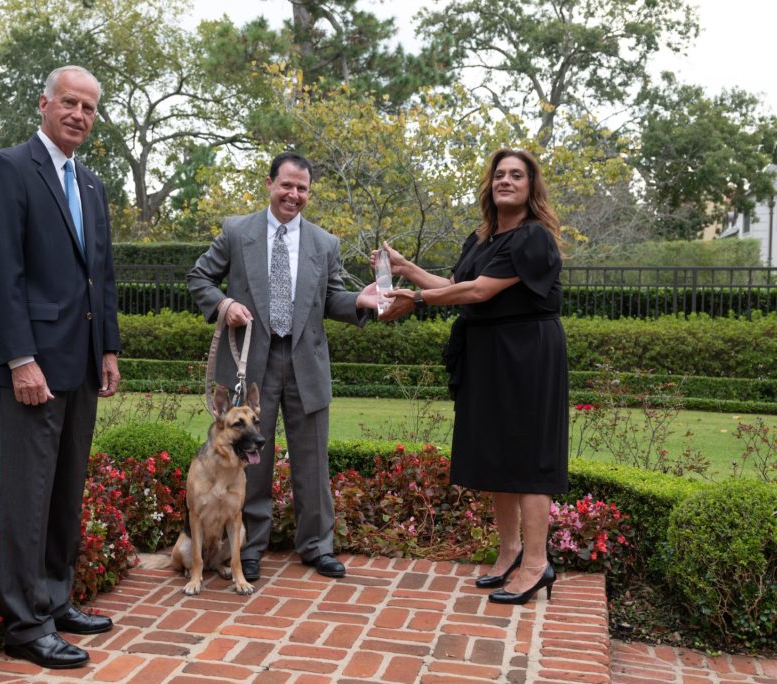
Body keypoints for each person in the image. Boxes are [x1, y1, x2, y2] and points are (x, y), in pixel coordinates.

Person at [0, 65, 121, 669]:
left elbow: (102, 277)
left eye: (89, 108)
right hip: (33, 366)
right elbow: (0, 273)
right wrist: (20, 358)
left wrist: (108, 348)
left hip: (82, 363)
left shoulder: (90, 183)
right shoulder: (9, 169)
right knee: (28, 495)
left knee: (65, 490)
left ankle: (56, 599)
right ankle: (25, 623)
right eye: (69, 103)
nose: (79, 115)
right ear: (44, 104)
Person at [376, 148, 567, 605]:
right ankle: (509, 553)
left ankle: (538, 565)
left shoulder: (534, 238)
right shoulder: (481, 240)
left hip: (527, 354)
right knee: (498, 455)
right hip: (488, 354)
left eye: (516, 175)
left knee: (529, 457)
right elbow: (453, 287)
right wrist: (407, 271)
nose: (506, 180)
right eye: (499, 174)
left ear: (530, 187)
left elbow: (480, 291)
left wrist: (415, 302)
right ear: (490, 184)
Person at [187, 151, 379, 582]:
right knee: (251, 455)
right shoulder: (238, 232)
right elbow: (199, 277)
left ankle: (316, 545)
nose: (294, 195)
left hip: (305, 361)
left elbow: (331, 298)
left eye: (302, 188)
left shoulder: (324, 243)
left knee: (312, 460)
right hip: (251, 359)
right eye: (287, 185)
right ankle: (247, 548)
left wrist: (360, 301)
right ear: (270, 184)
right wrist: (225, 302)